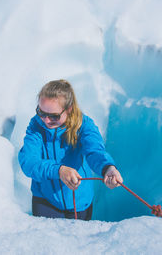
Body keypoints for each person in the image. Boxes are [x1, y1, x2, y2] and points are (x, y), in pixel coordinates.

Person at [19, 79, 123, 220]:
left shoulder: (84, 125)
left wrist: (107, 167)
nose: (46, 120)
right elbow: (29, 162)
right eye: (41, 112)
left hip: (80, 202)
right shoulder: (36, 127)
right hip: (45, 200)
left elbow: (95, 151)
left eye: (54, 116)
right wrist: (59, 170)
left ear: (69, 109)